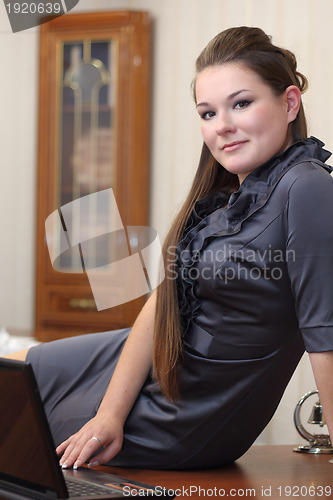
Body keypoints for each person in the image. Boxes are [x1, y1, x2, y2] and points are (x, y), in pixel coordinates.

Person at [4, 26, 333, 470]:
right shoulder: (227, 198)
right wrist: (109, 414)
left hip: (183, 412)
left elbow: (326, 337)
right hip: (141, 365)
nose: (223, 127)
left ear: (289, 102)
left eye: (241, 103)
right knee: (12, 372)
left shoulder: (307, 187)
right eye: (207, 113)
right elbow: (165, 301)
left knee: (20, 421)